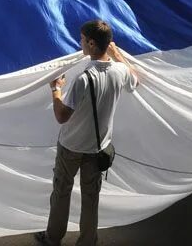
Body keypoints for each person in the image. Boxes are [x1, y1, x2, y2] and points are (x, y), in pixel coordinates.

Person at [36, 20, 139, 246]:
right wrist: (117, 54)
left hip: (71, 146)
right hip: (98, 148)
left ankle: (53, 238)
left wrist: (55, 90)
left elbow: (62, 116)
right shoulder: (120, 71)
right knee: (91, 198)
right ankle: (87, 241)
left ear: (92, 43)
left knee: (61, 193)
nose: (80, 43)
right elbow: (135, 81)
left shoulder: (83, 79)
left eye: (82, 40)